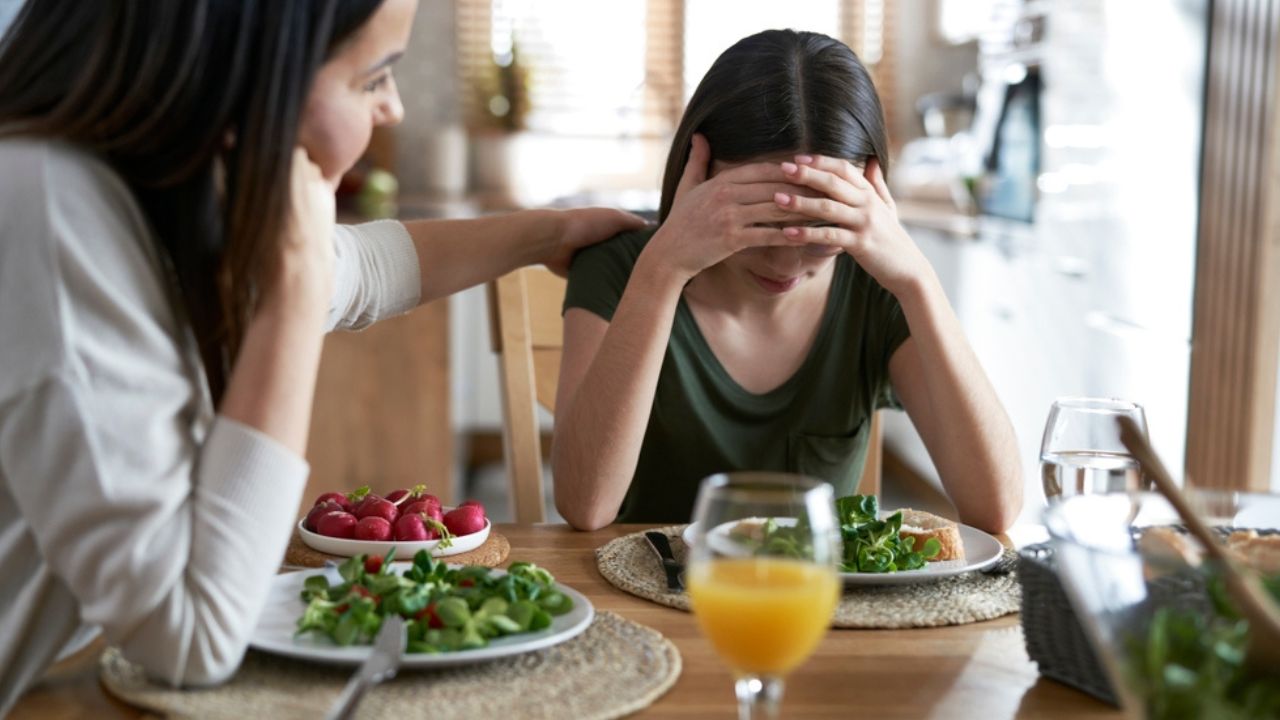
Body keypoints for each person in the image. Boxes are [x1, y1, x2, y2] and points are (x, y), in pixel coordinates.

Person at [0, 0, 642, 710]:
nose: (393, 108)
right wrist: (294, 302)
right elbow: (191, 637)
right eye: (374, 78)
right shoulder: (51, 216)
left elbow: (362, 267)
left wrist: (547, 236)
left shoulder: (134, 185)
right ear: (253, 69)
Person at [553, 29, 1022, 533]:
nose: (785, 262)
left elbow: (995, 507)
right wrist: (661, 272)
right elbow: (586, 505)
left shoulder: (879, 288)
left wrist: (918, 282)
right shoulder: (623, 269)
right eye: (758, 223)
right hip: (646, 598)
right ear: (700, 175)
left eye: (820, 230)